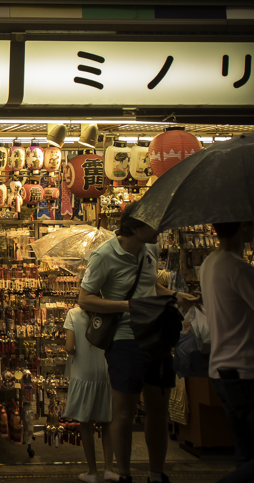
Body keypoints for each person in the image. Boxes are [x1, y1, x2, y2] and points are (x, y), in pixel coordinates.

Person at [78, 204, 199, 483]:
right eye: (153, 223)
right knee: (125, 411)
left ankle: (157, 473)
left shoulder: (149, 251)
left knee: (158, 409)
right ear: (134, 227)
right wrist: (128, 306)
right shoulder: (104, 255)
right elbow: (85, 299)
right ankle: (124, 475)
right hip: (124, 340)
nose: (159, 229)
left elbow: (150, 285)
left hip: (156, 337)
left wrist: (175, 295)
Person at [198, 221, 254, 483]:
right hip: (244, 370)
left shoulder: (210, 263)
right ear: (243, 227)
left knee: (244, 451)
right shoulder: (238, 268)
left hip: (221, 370)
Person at [64, 304, 116, 483]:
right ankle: (109, 468)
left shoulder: (73, 314)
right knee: (107, 421)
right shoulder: (107, 311)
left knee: (86, 422)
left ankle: (92, 471)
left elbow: (69, 347)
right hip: (105, 372)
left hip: (82, 373)